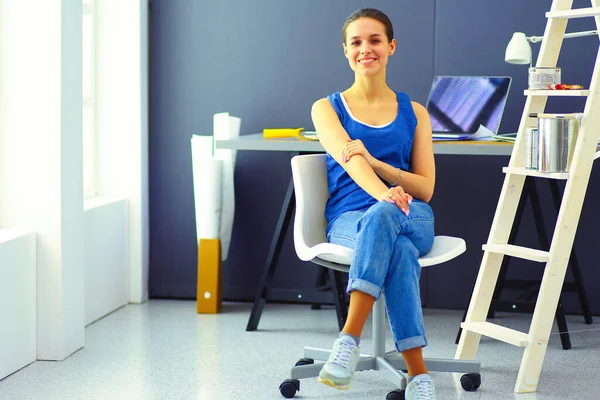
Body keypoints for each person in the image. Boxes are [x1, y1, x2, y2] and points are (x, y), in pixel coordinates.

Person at [310, 8, 437, 400]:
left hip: (412, 215)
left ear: (391, 46)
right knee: (394, 243)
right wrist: (383, 194)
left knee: (389, 219)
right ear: (345, 52)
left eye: (375, 40)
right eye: (357, 42)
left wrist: (382, 167)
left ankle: (348, 338)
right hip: (351, 220)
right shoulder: (327, 108)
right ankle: (419, 376)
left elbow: (426, 188)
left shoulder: (415, 112)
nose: (366, 49)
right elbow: (350, 159)